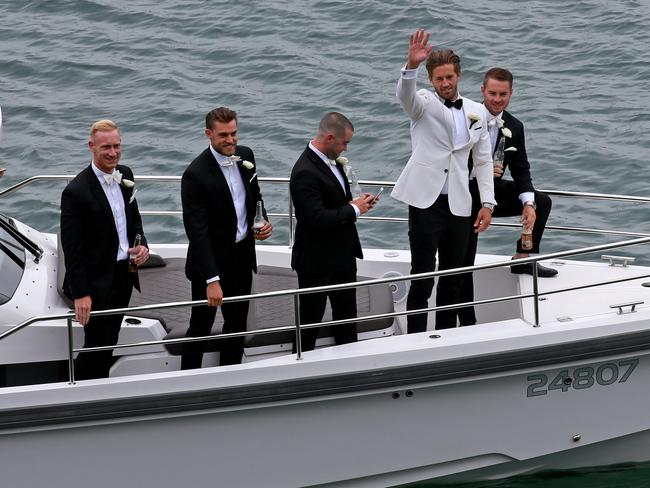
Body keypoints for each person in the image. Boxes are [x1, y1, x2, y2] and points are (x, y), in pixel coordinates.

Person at [391, 29, 496, 332]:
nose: (445, 83)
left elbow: (483, 160)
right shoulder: (422, 103)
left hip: (460, 205)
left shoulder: (477, 111)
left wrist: (487, 203)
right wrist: (410, 66)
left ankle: (447, 337)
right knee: (422, 276)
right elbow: (404, 95)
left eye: (449, 77)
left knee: (454, 278)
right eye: (439, 79)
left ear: (458, 75)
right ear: (431, 80)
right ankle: (415, 339)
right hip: (426, 203)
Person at [457, 68, 557, 325]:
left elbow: (522, 169)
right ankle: (468, 322)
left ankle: (522, 259)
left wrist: (528, 203)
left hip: (493, 192)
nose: (497, 99)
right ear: (482, 91)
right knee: (465, 261)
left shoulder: (515, 125)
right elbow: (450, 162)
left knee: (541, 202)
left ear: (511, 94)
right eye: (492, 93)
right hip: (464, 193)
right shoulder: (465, 118)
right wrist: (479, 169)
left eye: (503, 94)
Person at [181, 107, 272, 369]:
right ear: (208, 134)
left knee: (236, 325)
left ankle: (230, 376)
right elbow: (196, 232)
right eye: (223, 135)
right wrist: (212, 279)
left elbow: (256, 196)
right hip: (208, 265)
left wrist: (262, 220)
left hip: (242, 257)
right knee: (200, 326)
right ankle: (187, 381)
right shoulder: (195, 174)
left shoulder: (246, 155)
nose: (231, 140)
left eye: (233, 133)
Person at [60, 119, 149, 380]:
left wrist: (142, 245)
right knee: (96, 345)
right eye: (106, 147)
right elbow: (72, 248)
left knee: (110, 340)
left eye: (117, 146)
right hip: (96, 283)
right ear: (92, 147)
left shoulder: (126, 175)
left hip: (124, 276)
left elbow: (135, 220)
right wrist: (82, 293)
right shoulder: (76, 192)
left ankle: (97, 385)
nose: (113, 153)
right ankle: (76, 388)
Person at [289, 112, 375, 352]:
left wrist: (357, 204)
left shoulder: (332, 161)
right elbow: (314, 219)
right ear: (329, 137)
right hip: (316, 261)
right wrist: (354, 211)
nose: (345, 149)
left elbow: (336, 205)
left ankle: (347, 365)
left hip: (342, 256)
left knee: (347, 319)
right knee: (309, 323)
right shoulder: (305, 171)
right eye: (344, 143)